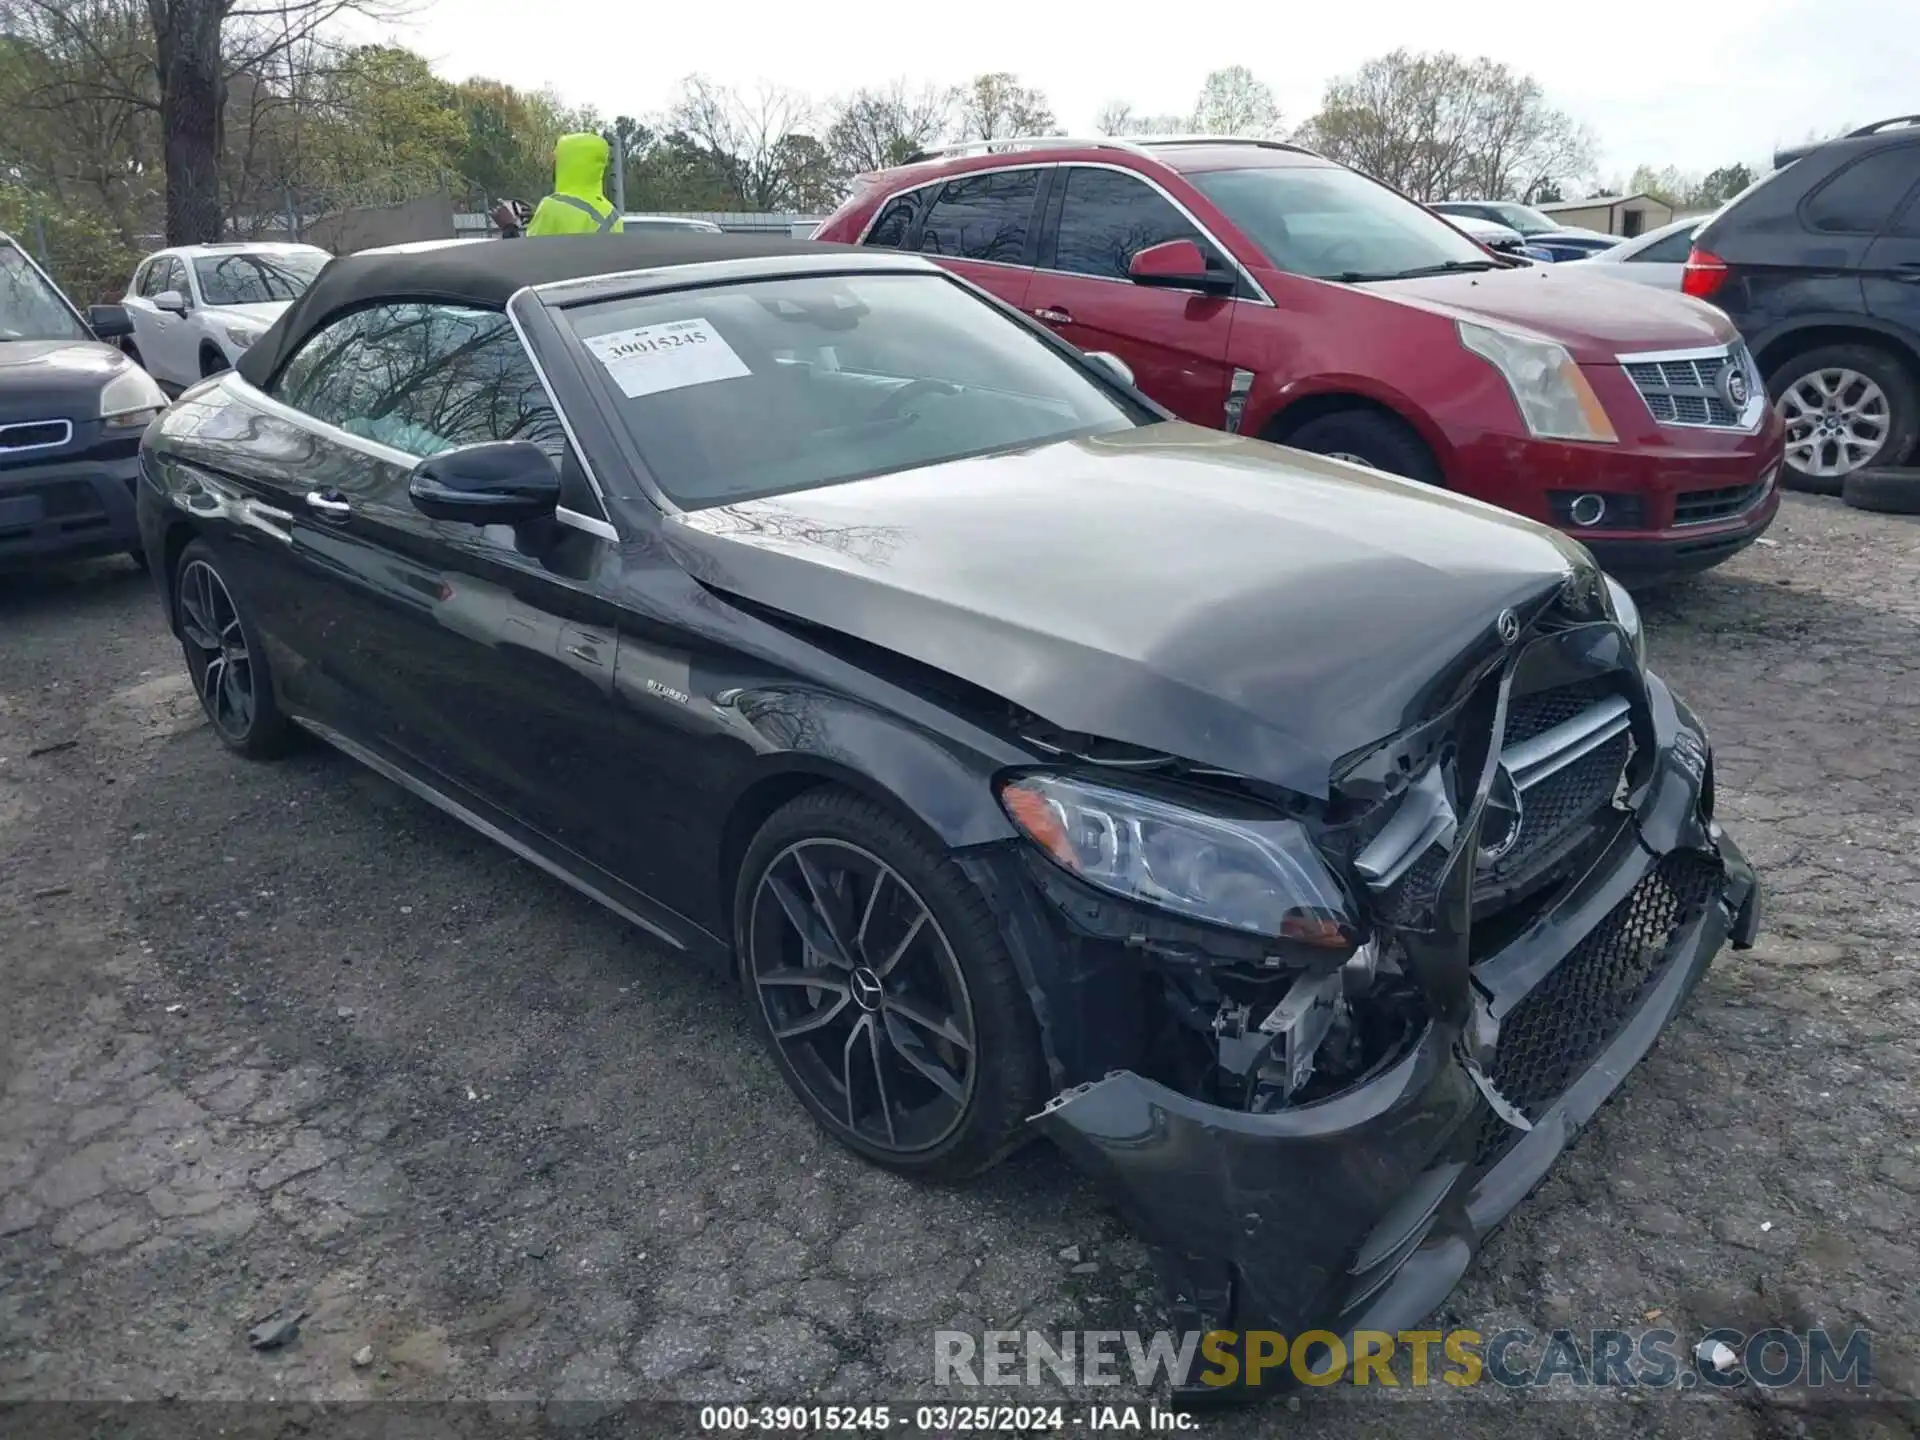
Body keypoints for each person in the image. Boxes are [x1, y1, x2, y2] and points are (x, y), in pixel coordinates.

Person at [523, 133, 624, 237]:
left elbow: (530, 250)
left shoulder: (551, 207)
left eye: (557, 159)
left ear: (566, 163)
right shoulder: (613, 215)